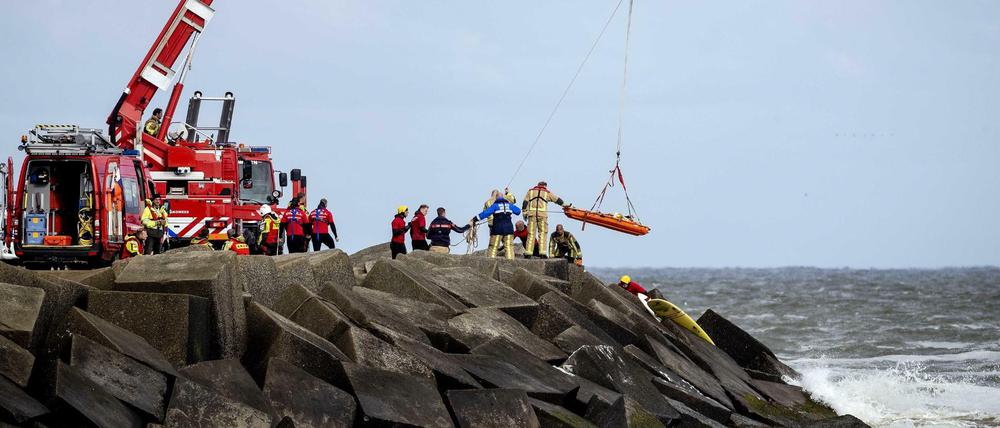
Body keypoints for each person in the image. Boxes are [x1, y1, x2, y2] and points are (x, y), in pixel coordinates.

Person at [522, 181, 569, 258]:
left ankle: (528, 252)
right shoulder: (546, 192)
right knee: (543, 233)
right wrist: (565, 204)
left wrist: (524, 212)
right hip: (542, 216)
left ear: (538, 185)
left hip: (532, 215)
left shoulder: (530, 191)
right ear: (545, 186)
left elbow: (525, 202)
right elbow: (556, 199)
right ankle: (542, 253)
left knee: (531, 234)